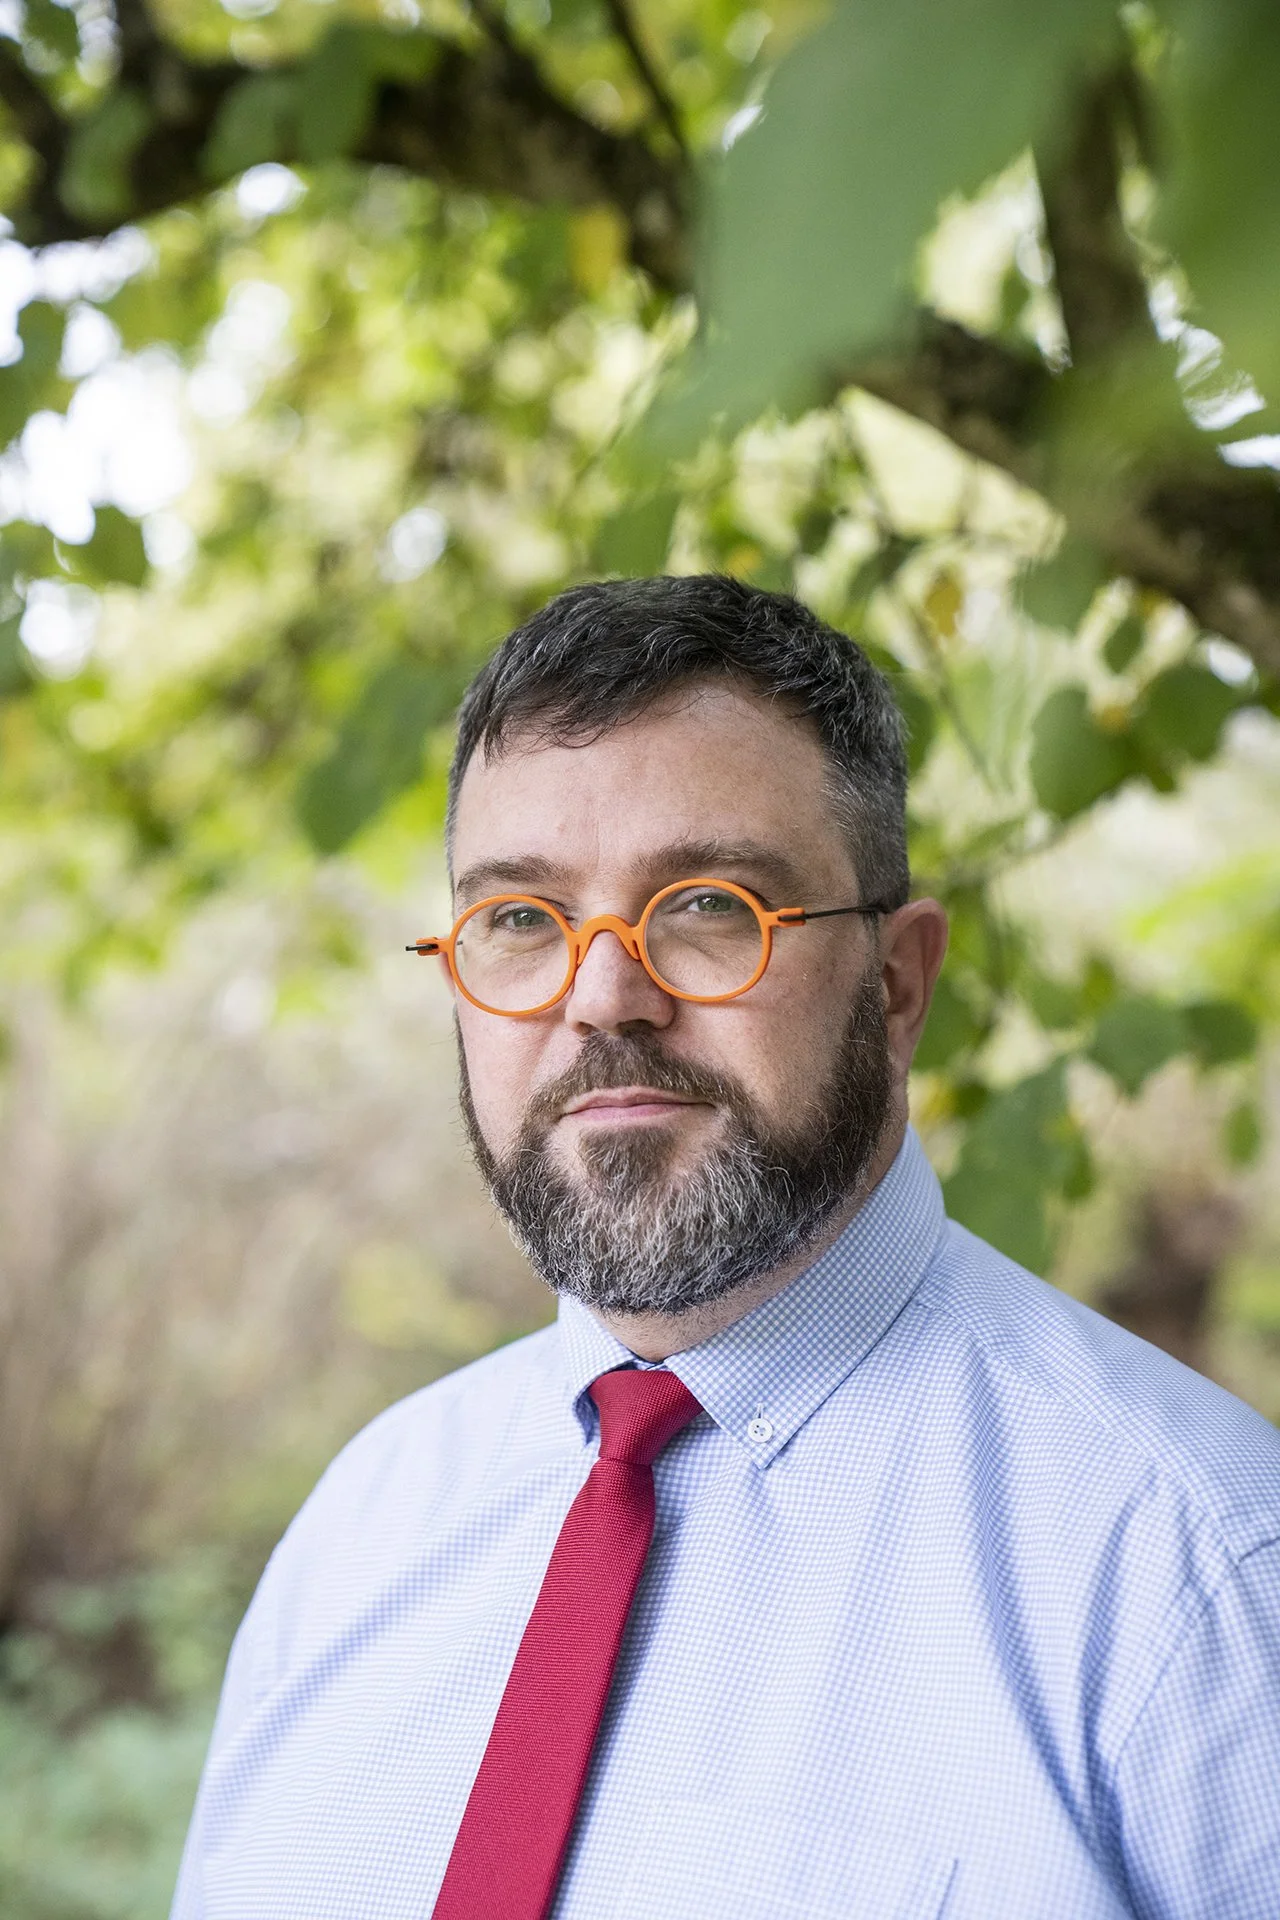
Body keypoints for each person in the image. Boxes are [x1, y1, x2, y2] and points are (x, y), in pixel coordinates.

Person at [172, 575, 1280, 1920]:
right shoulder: (363, 1530)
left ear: (897, 983)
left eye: (707, 907)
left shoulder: (1199, 1575)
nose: (602, 1000)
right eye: (520, 919)